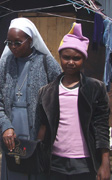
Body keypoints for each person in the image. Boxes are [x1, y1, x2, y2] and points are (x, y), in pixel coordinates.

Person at [0, 17, 61, 180]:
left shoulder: (46, 62)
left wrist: (45, 125)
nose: (13, 47)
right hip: (12, 129)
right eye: (9, 43)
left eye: (18, 42)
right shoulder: (3, 64)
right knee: (15, 170)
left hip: (38, 130)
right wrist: (5, 125)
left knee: (37, 170)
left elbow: (58, 95)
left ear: (30, 40)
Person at [36, 22, 110, 180]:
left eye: (76, 58)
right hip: (55, 162)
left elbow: (101, 127)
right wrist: (38, 157)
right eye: (66, 57)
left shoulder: (95, 88)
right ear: (60, 57)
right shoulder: (46, 92)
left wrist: (105, 163)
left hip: (85, 162)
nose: (71, 62)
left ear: (84, 59)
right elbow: (42, 128)